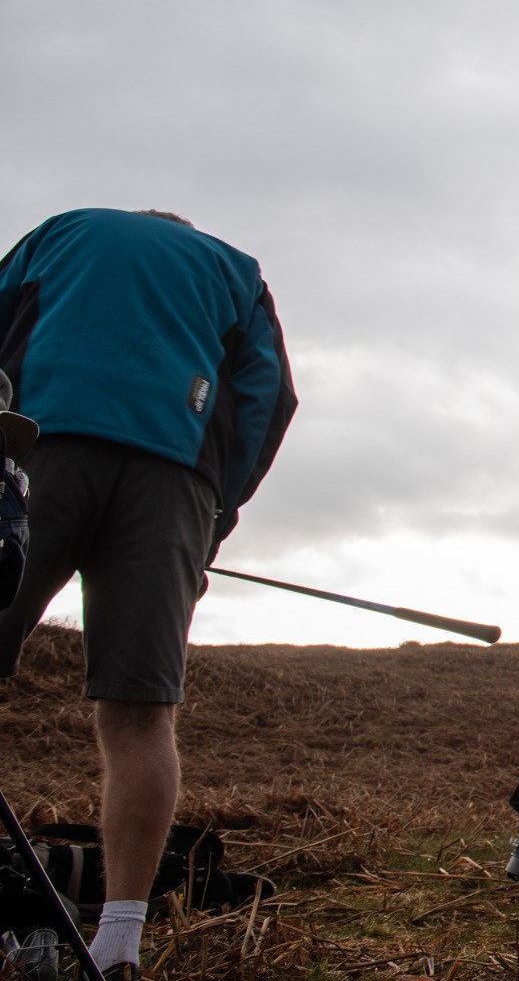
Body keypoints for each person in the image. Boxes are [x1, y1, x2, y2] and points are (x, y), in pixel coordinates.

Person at [0, 208, 297, 975]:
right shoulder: (235, 268)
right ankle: (119, 941)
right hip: (173, 478)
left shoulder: (60, 234)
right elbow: (269, 401)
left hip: (38, 447)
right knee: (139, 713)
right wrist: (213, 516)